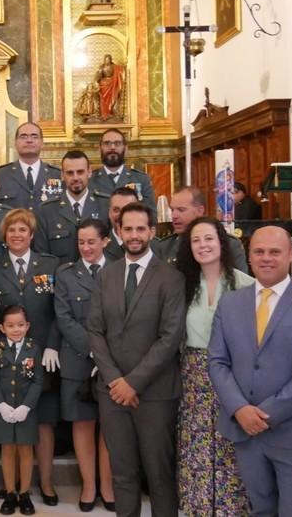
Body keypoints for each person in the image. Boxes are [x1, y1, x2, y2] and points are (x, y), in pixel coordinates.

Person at [208, 226, 292, 517]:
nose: (266, 258)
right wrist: (240, 409)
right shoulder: (230, 303)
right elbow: (217, 361)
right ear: (249, 256)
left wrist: (266, 414)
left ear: (290, 255)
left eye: (275, 251)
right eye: (259, 251)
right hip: (245, 432)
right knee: (260, 510)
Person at [87, 201, 186, 517]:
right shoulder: (107, 276)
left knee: (159, 476)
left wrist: (134, 382)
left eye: (140, 228)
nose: (133, 235)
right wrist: (116, 380)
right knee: (123, 474)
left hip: (155, 393)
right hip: (112, 392)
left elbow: (170, 338)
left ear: (152, 232)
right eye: (127, 228)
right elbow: (95, 330)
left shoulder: (171, 277)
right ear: (118, 232)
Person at [0, 208, 62, 506]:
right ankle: (13, 485)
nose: (17, 235)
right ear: (4, 235)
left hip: (42, 356)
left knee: (42, 422)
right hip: (6, 358)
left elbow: (59, 309)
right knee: (10, 425)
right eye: (11, 230)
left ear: (31, 234)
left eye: (22, 230)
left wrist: (53, 344)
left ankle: (45, 483)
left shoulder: (50, 264)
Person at [175, 217, 254, 516]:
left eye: (209, 238)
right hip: (193, 375)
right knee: (195, 445)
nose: (203, 245)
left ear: (221, 242)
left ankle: (231, 509)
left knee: (228, 444)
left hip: (232, 375)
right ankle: (198, 508)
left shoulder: (245, 284)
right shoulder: (182, 284)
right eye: (196, 240)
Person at [53, 219, 116, 512]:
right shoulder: (66, 274)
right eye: (81, 242)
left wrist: (106, 355)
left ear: (105, 241)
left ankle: (107, 485)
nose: (86, 248)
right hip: (78, 359)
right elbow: (64, 317)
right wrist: (94, 352)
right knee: (82, 423)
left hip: (115, 360)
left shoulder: (118, 268)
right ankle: (89, 485)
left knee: (109, 424)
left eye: (92, 242)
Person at [0, 305, 43, 516]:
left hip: (26, 410)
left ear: (27, 326)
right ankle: (10, 492)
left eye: (20, 325)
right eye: (10, 325)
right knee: (8, 450)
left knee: (26, 450)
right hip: (4, 409)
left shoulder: (34, 348)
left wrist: (26, 406)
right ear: (2, 327)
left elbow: (38, 382)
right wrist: (0, 405)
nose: (16, 329)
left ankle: (25, 493)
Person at [33, 150, 103, 264]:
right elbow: (42, 257)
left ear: (89, 172)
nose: (75, 178)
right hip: (61, 279)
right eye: (70, 173)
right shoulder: (46, 211)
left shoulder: (105, 205)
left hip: (99, 278)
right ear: (62, 175)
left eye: (80, 172)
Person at [155, 186, 248, 272]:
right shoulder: (165, 247)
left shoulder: (229, 244)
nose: (174, 216)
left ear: (200, 211)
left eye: (181, 210)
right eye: (172, 210)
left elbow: (242, 285)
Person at [0, 122, 63, 211]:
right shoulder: (0, 175)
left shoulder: (57, 175)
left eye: (34, 136)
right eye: (23, 136)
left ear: (42, 142)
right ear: (15, 143)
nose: (29, 140)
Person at [86, 128, 155, 213]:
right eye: (107, 143)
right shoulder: (89, 180)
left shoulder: (141, 180)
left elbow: (151, 215)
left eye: (117, 143)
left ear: (125, 149)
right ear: (99, 149)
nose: (112, 147)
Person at [105, 187, 139, 261]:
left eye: (127, 209)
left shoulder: (155, 246)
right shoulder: (99, 246)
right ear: (109, 213)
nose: (121, 215)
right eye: (116, 210)